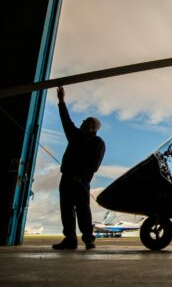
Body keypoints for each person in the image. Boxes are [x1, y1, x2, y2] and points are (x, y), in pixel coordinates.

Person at [52, 86, 106, 250]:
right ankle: (70, 239)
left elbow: (94, 165)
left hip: (81, 182)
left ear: (92, 128)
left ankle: (88, 239)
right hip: (67, 179)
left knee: (83, 210)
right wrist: (61, 102)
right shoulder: (74, 135)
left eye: (87, 123)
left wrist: (81, 177)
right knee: (66, 210)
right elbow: (66, 120)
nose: (82, 123)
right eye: (84, 122)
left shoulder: (98, 143)